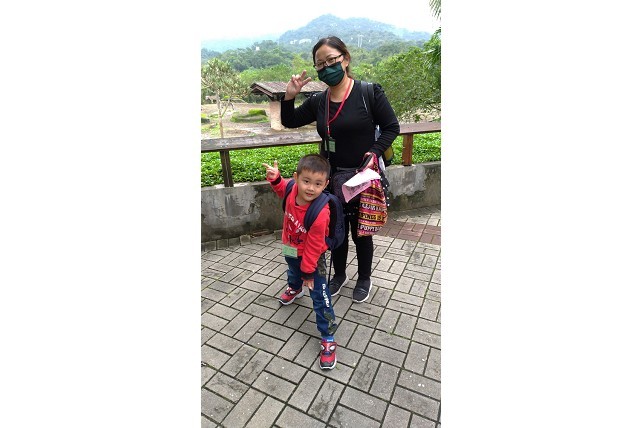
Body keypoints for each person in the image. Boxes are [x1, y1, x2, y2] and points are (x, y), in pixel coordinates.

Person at [280, 36, 400, 303]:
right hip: (331, 179)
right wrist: (289, 96)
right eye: (320, 64)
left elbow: (392, 127)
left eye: (331, 60)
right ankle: (340, 274)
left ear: (345, 59)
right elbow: (289, 120)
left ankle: (364, 278)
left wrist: (374, 152)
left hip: (362, 178)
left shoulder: (369, 93)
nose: (326, 67)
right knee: (336, 231)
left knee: (361, 232)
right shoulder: (319, 101)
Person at [262, 154, 339, 370]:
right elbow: (282, 189)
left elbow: (314, 246)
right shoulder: (291, 189)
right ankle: (295, 288)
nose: (311, 188)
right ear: (296, 178)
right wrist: (276, 179)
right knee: (292, 271)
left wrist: (308, 272)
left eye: (318, 184)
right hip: (290, 247)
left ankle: (328, 336)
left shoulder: (320, 212)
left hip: (312, 259)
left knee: (319, 296)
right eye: (306, 181)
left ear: (326, 184)